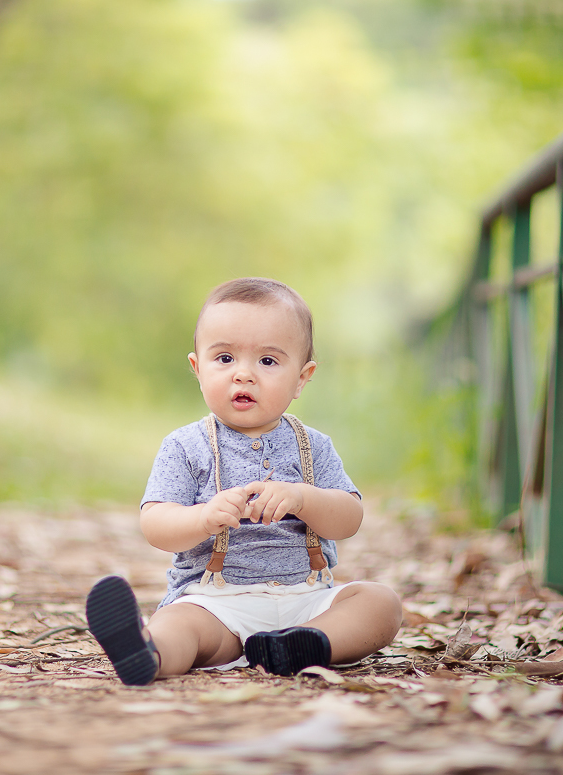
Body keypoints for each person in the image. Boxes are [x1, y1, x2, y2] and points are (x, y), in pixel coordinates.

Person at [85, 277, 403, 685]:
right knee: (182, 624)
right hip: (218, 605)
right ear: (197, 369)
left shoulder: (314, 447)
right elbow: (155, 524)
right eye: (224, 359)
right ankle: (148, 652)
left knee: (381, 603)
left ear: (303, 378)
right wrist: (203, 518)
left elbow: (349, 519)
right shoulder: (186, 446)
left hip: (308, 603)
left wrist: (304, 499)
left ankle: (307, 644)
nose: (244, 375)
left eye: (268, 362)